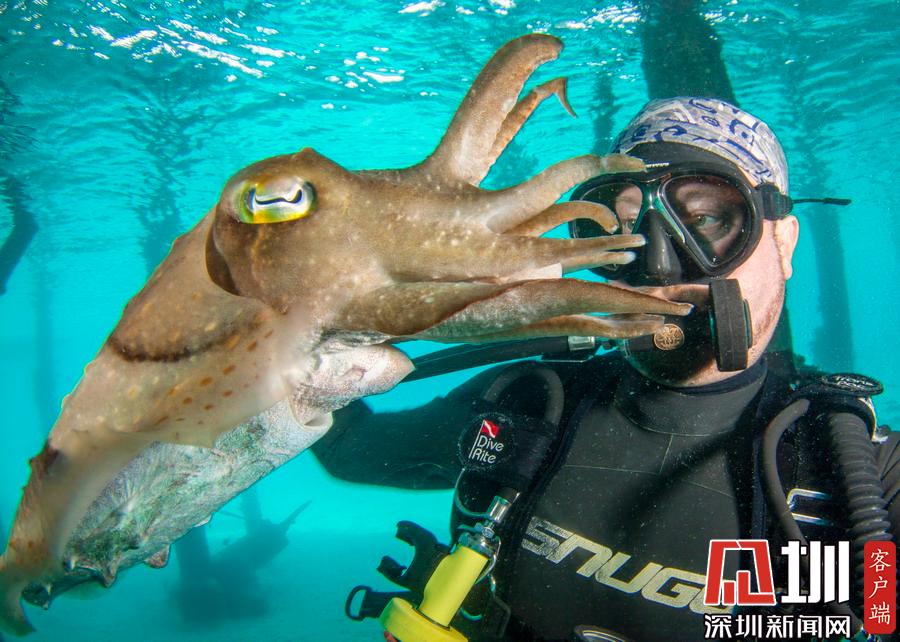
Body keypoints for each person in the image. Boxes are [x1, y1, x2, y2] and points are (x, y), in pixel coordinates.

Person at [311, 97, 899, 641]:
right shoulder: (527, 403)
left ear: (784, 243)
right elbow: (352, 450)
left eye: (707, 221)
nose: (658, 266)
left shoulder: (860, 473)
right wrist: (306, 350)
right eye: (623, 228)